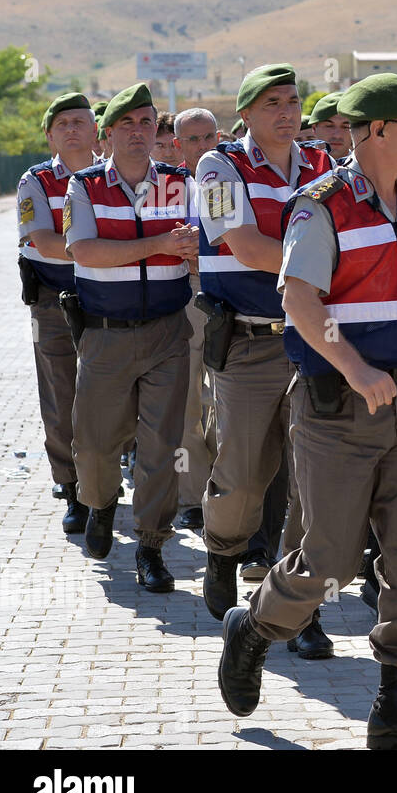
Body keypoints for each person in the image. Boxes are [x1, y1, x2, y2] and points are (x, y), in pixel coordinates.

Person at [217, 73, 397, 750]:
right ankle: (256, 626)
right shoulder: (319, 206)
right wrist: (354, 367)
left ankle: (396, 708)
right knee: (329, 561)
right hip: (337, 411)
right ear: (378, 131)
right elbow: (298, 299)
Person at [195, 64, 336, 660]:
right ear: (246, 112)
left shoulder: (324, 166)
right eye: (272, 102)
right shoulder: (219, 166)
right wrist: (325, 267)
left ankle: (296, 608)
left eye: (293, 100)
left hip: (310, 340)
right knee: (246, 469)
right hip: (250, 342)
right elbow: (243, 244)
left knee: (311, 477)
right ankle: (224, 551)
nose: (287, 111)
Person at [63, 83, 200, 590]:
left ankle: (150, 545)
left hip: (167, 331)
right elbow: (86, 252)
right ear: (107, 134)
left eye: (146, 122)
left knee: (161, 446)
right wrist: (162, 243)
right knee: (96, 445)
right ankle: (99, 504)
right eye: (128, 124)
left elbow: (207, 244)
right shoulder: (84, 187)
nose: (139, 132)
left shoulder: (180, 183)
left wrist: (192, 254)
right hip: (104, 335)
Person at [16, 93, 98, 536]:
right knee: (60, 392)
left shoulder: (115, 174)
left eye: (79, 121)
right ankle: (71, 487)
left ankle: (104, 479)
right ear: (49, 134)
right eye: (62, 123)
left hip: (111, 297)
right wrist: (102, 249)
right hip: (54, 299)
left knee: (111, 392)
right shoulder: (36, 180)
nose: (71, 129)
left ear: (95, 130)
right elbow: (43, 243)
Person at [170, 107, 221, 531]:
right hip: (185, 295)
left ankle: (225, 490)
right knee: (187, 397)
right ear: (177, 146)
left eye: (209, 137)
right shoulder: (162, 189)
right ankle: (192, 496)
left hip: (226, 295)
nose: (203, 146)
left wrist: (200, 245)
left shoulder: (231, 181)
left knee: (225, 401)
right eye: (193, 140)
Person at [308, 92, 351, 161]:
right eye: (329, 126)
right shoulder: (296, 169)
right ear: (314, 128)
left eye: (345, 127)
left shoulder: (369, 169)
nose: (337, 135)